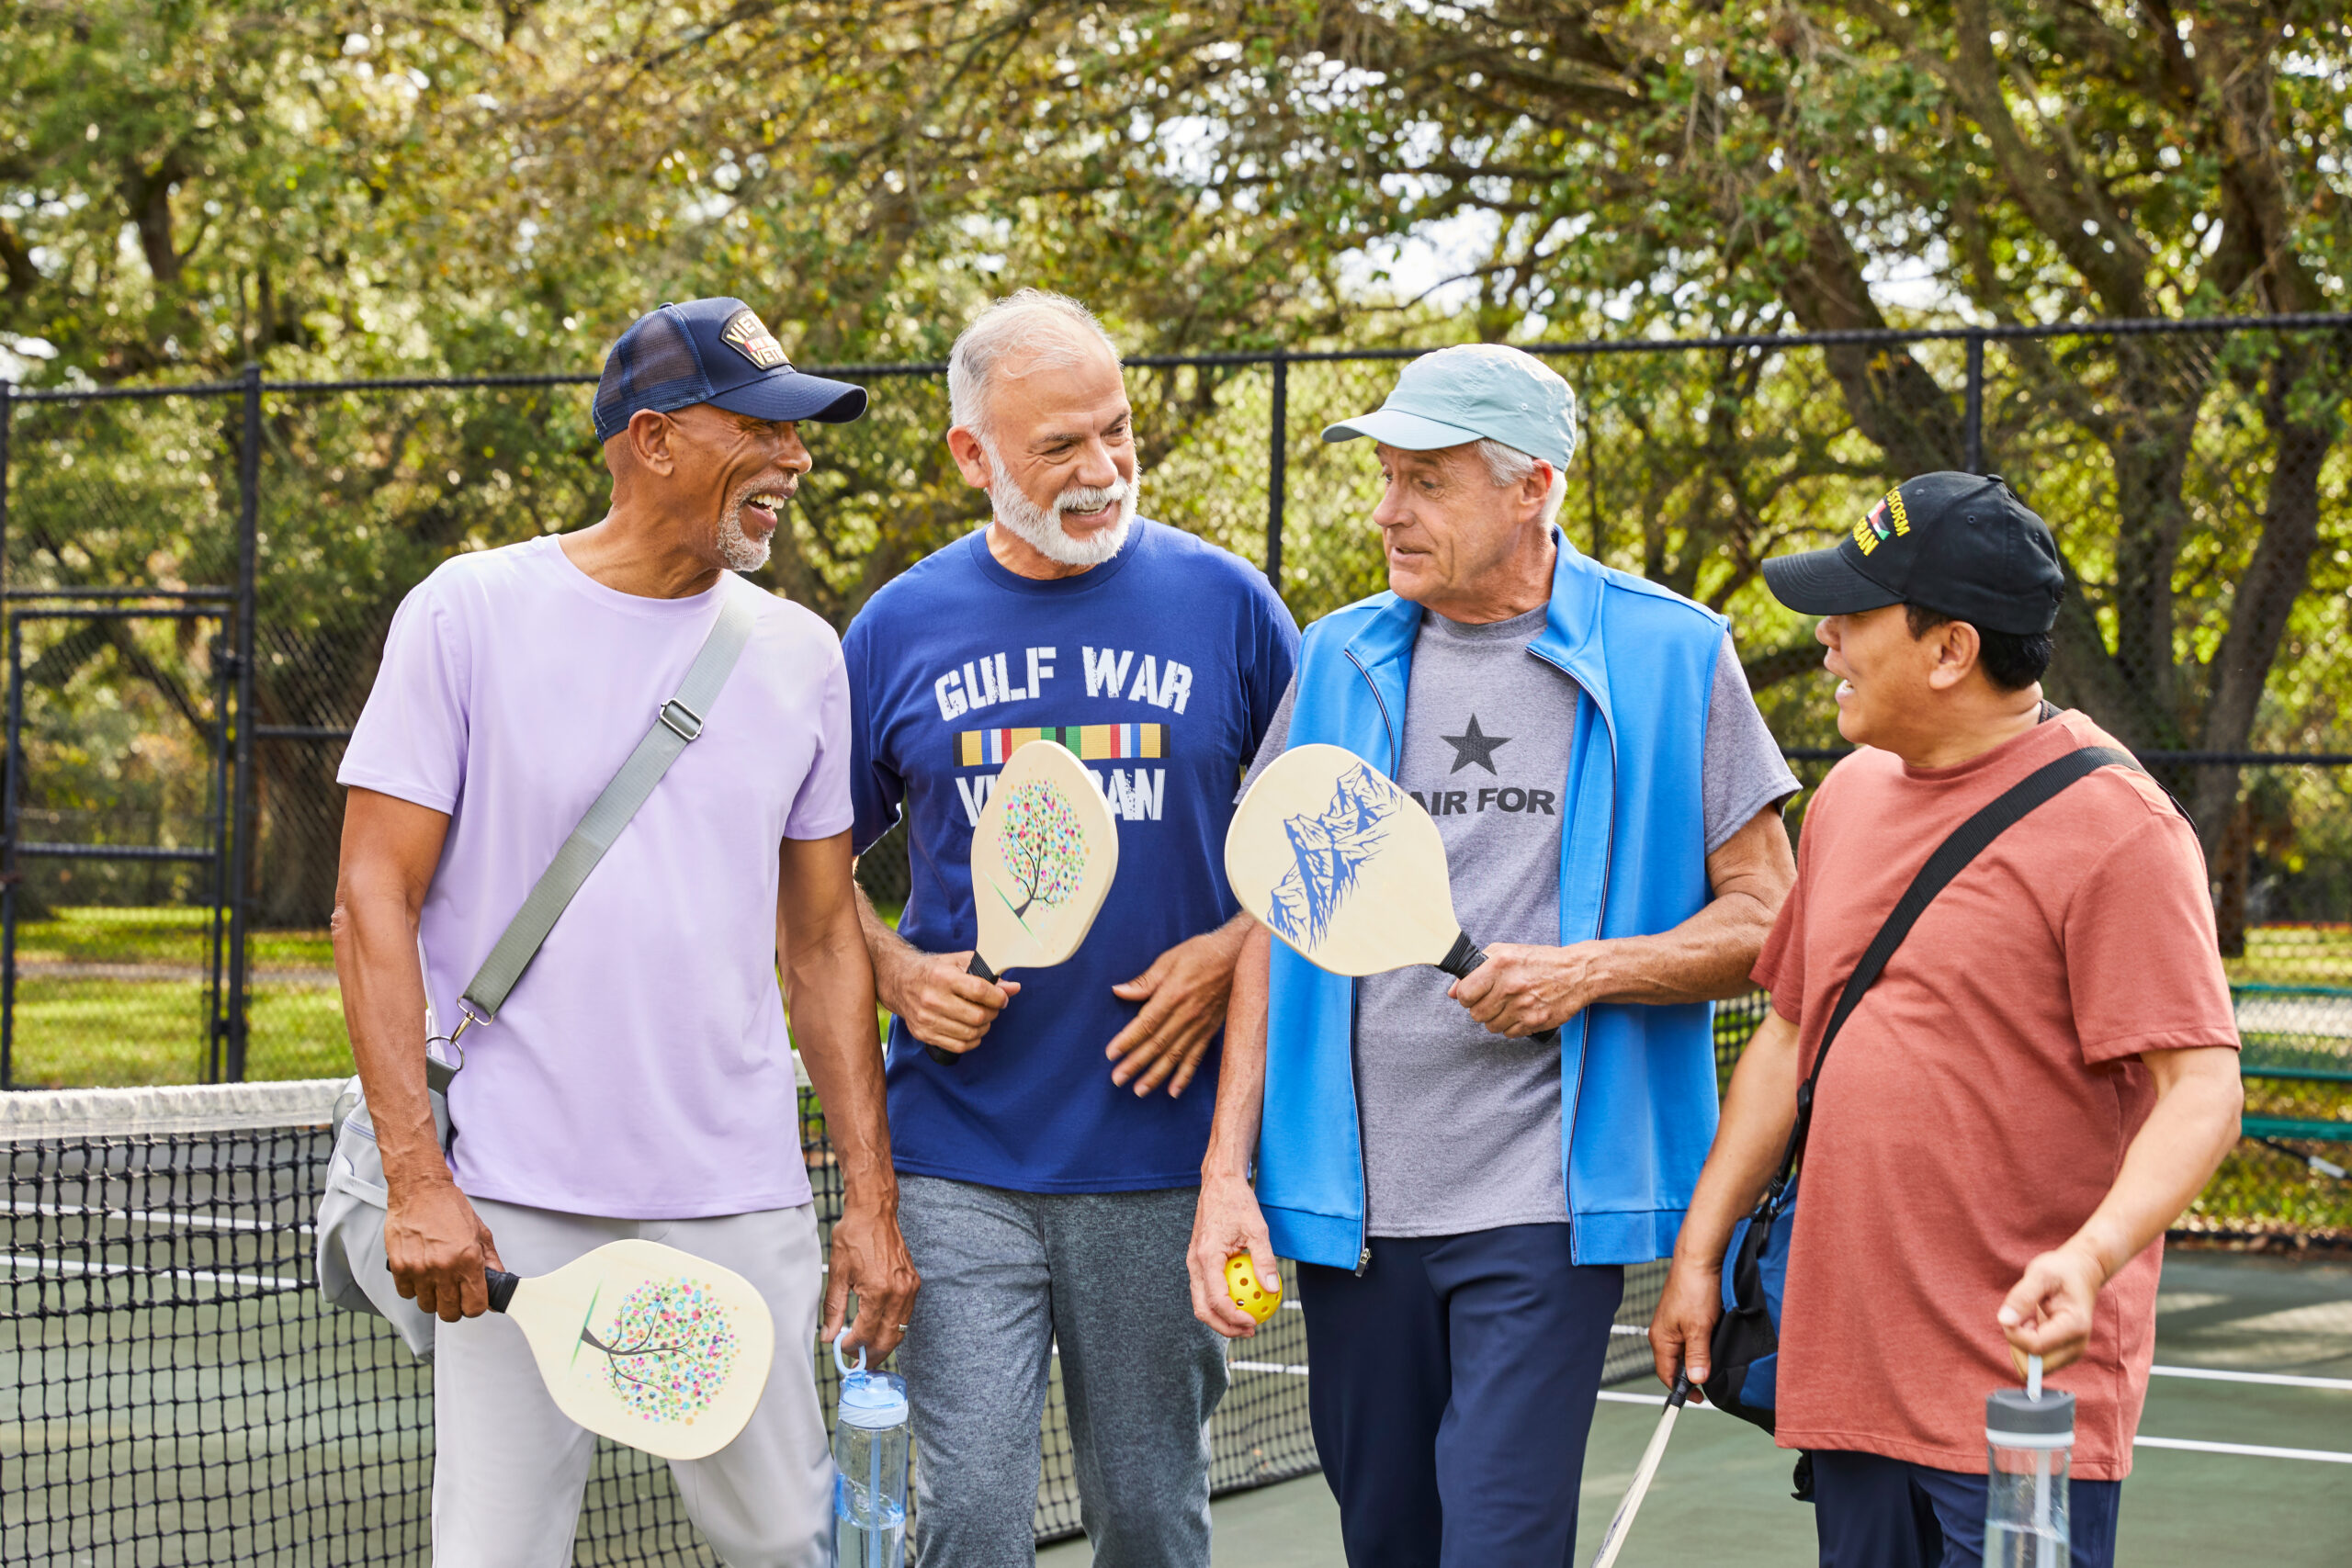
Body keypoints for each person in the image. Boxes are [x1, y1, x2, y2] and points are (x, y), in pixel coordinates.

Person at [1186, 344, 1800, 1566]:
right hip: (1350, 1210)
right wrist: (1226, 1172)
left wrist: (1586, 970)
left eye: (1426, 480)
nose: (1386, 509)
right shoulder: (1334, 654)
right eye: (1387, 477)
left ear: (1534, 487)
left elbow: (1769, 923)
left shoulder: (1677, 652)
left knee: (1501, 1542)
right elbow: (1273, 921)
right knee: (1391, 1542)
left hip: (1540, 1206)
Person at [333, 297, 919, 1568]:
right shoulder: (465, 611)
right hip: (507, 1197)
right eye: (763, 427)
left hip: (737, 1190)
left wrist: (867, 1199)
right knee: (496, 1556)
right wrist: (419, 1176)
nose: (796, 458)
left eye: (800, 433)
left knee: (785, 1546)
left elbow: (822, 944)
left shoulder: (800, 653)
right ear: (652, 440)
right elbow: (369, 899)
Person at [1648, 472, 2245, 1568]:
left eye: (1853, 615)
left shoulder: (2121, 831)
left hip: (2020, 1393)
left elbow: (2202, 1086)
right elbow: (1787, 1036)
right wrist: (1699, 1254)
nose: (1824, 639)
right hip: (1845, 1379)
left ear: (1948, 651)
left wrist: (2096, 1254)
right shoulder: (1851, 796)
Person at [842, 289, 1297, 1567]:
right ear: (973, 456)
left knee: (1153, 1518)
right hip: (957, 1153)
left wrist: (1226, 947)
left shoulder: (1234, 607)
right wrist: (893, 963)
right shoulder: (897, 627)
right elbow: (803, 862)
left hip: (1164, 1160)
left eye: (1120, 432)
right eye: (1060, 448)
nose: (1103, 472)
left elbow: (1309, 847)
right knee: (972, 1515)